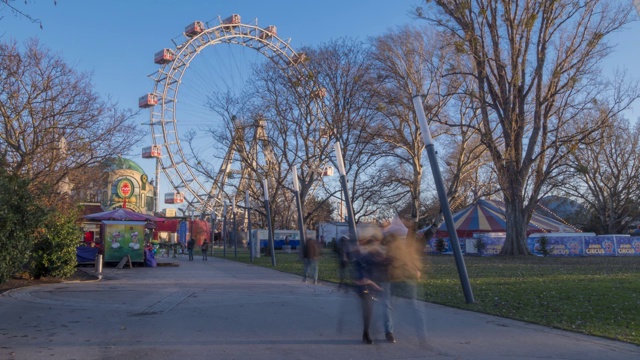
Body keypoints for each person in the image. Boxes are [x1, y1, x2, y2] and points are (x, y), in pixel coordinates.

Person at [352, 227, 389, 345]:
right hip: (364, 287)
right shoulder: (361, 255)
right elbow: (360, 274)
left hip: (372, 286)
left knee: (371, 310)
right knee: (368, 310)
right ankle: (366, 333)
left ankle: (367, 333)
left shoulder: (375, 254)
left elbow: (380, 263)